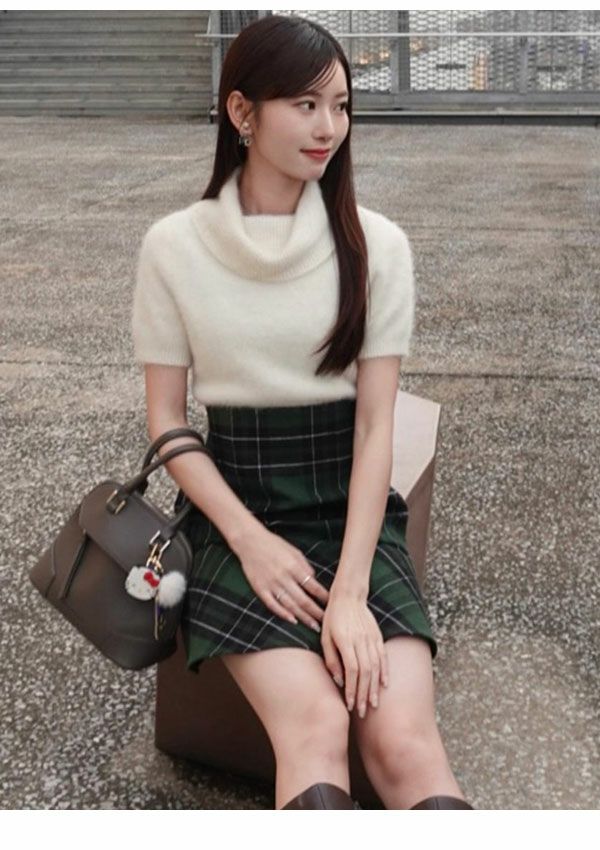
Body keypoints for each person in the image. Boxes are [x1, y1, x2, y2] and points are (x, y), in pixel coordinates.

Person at [131, 14, 473, 811]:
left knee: (406, 745)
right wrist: (249, 542)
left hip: (350, 517)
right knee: (315, 727)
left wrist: (350, 592)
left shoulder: (377, 246)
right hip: (234, 518)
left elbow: (377, 427)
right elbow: (168, 421)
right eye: (306, 105)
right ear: (242, 113)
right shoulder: (173, 247)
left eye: (342, 106)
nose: (330, 128)